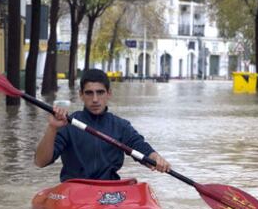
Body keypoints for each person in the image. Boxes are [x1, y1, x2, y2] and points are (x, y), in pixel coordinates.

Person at [34, 69, 171, 182]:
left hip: (109, 190)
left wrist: (156, 158)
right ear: (81, 95)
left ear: (109, 94)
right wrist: (52, 127)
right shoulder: (68, 125)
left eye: (100, 92)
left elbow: (141, 149)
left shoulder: (120, 126)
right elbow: (40, 162)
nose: (95, 99)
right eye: (89, 93)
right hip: (75, 190)